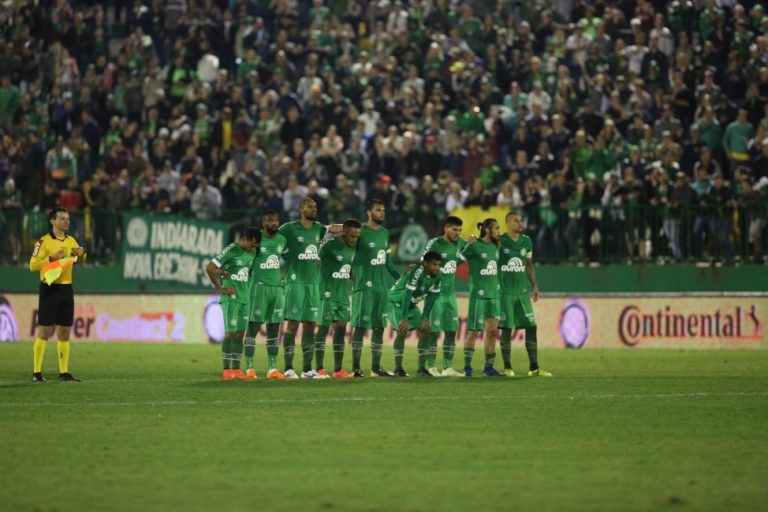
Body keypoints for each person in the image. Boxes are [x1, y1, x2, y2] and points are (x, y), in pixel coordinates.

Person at [278, 198, 342, 379]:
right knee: (292, 325)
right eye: (309, 207)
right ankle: (289, 368)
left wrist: (353, 227)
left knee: (309, 326)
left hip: (313, 284)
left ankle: (307, 369)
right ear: (300, 209)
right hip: (295, 283)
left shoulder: (318, 229)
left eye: (315, 207)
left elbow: (333, 229)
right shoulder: (288, 228)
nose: (313, 209)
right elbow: (272, 240)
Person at [28, 207, 87, 383]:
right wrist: (52, 259)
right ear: (52, 221)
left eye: (67, 219)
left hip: (66, 289)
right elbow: (32, 265)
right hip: (49, 288)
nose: (66, 222)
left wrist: (82, 254)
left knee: (64, 331)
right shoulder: (43, 242)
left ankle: (64, 372)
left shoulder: (71, 240)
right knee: (44, 330)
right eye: (62, 219)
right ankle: (37, 372)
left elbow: (78, 259)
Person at [498, 211, 553, 378]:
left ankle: (534, 367)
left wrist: (534, 285)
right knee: (506, 329)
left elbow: (528, 264)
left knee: (531, 327)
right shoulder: (500, 240)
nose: (520, 223)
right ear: (508, 223)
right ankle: (507, 367)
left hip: (522, 293)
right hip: (505, 293)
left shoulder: (527, 241)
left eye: (521, 220)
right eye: (516, 221)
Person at [350, 199, 401, 378]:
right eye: (378, 210)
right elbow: (348, 256)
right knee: (361, 327)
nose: (382, 213)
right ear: (369, 213)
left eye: (383, 210)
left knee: (379, 327)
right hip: (364, 288)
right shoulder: (359, 232)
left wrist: (399, 278)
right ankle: (355, 368)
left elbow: (387, 261)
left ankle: (375, 368)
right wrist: (352, 277)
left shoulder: (385, 233)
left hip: (382, 288)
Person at [205, 227, 261, 380]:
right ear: (244, 239)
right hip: (231, 298)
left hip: (245, 298)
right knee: (230, 333)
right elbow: (210, 268)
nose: (253, 249)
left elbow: (247, 271)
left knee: (240, 334)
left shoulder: (253, 252)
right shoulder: (231, 249)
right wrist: (220, 288)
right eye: (251, 245)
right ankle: (226, 370)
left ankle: (236, 369)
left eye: (256, 246)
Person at [242, 210, 287, 380]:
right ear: (263, 222)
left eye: (276, 220)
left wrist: (285, 275)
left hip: (276, 289)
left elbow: (290, 258)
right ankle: (250, 368)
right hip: (259, 287)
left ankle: (272, 369)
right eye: (270, 221)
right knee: (253, 327)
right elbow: (246, 259)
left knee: (274, 329)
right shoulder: (257, 239)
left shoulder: (282, 240)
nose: (274, 223)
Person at [315, 218, 362, 379]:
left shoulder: (353, 248)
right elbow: (314, 260)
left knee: (341, 330)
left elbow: (346, 264)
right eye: (352, 236)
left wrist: (350, 274)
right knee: (323, 329)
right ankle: (319, 369)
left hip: (343, 295)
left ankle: (338, 370)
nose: (355, 240)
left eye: (357, 237)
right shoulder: (329, 246)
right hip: (327, 294)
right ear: (344, 233)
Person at [421, 216, 467, 377]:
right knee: (434, 331)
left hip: (450, 295)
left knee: (451, 331)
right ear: (446, 228)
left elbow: (457, 260)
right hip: (435, 294)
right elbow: (423, 263)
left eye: (460, 230)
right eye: (454, 229)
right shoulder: (434, 244)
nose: (458, 233)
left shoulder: (461, 243)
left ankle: (447, 367)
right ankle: (431, 365)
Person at [388, 251, 443, 377]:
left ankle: (421, 369)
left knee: (426, 330)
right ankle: (398, 369)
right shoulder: (417, 272)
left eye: (438, 265)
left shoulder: (438, 276)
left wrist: (424, 318)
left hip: (410, 305)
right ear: (425, 263)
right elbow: (407, 294)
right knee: (402, 330)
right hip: (395, 303)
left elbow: (431, 298)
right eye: (433, 264)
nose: (436, 267)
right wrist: (404, 318)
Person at [460, 218, 502, 377]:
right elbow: (457, 258)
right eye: (496, 228)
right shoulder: (474, 246)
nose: (499, 231)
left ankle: (489, 368)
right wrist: (466, 242)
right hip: (478, 295)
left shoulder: (496, 246)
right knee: (474, 331)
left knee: (492, 331)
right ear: (487, 230)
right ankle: (467, 368)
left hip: (494, 295)